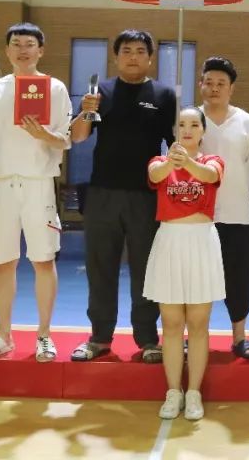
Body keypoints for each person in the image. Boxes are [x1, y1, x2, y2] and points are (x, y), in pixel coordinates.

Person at [0, 23, 72, 363]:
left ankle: (44, 335)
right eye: (16, 44)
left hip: (38, 183)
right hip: (0, 184)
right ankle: (4, 335)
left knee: (43, 260)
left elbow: (66, 139)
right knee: (3, 261)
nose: (23, 50)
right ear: (7, 51)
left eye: (29, 44)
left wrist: (44, 135)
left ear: (41, 50)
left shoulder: (55, 88)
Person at [70, 29, 177, 363]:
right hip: (102, 193)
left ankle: (147, 339)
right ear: (116, 57)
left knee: (146, 270)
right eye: (127, 50)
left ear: (150, 58)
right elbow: (77, 137)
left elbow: (175, 143)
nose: (133, 56)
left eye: (140, 51)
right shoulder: (99, 92)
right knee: (100, 268)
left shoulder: (163, 94)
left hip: (147, 196)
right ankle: (100, 337)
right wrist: (85, 111)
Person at [145, 107, 226, 421]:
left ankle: (193, 392)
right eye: (181, 125)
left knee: (198, 324)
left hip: (201, 242)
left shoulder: (213, 161)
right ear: (174, 131)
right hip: (170, 242)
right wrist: (172, 161)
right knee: (171, 324)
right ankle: (173, 391)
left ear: (203, 131)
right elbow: (156, 175)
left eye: (194, 124)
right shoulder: (159, 161)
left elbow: (209, 176)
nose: (188, 129)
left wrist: (188, 162)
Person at [197, 56, 249, 359]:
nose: (214, 88)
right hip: (197, 216)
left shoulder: (247, 122)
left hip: (237, 213)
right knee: (198, 278)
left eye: (221, 83)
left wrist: (231, 187)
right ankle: (197, 336)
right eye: (209, 82)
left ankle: (240, 337)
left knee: (239, 278)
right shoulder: (191, 118)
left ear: (231, 88)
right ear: (200, 85)